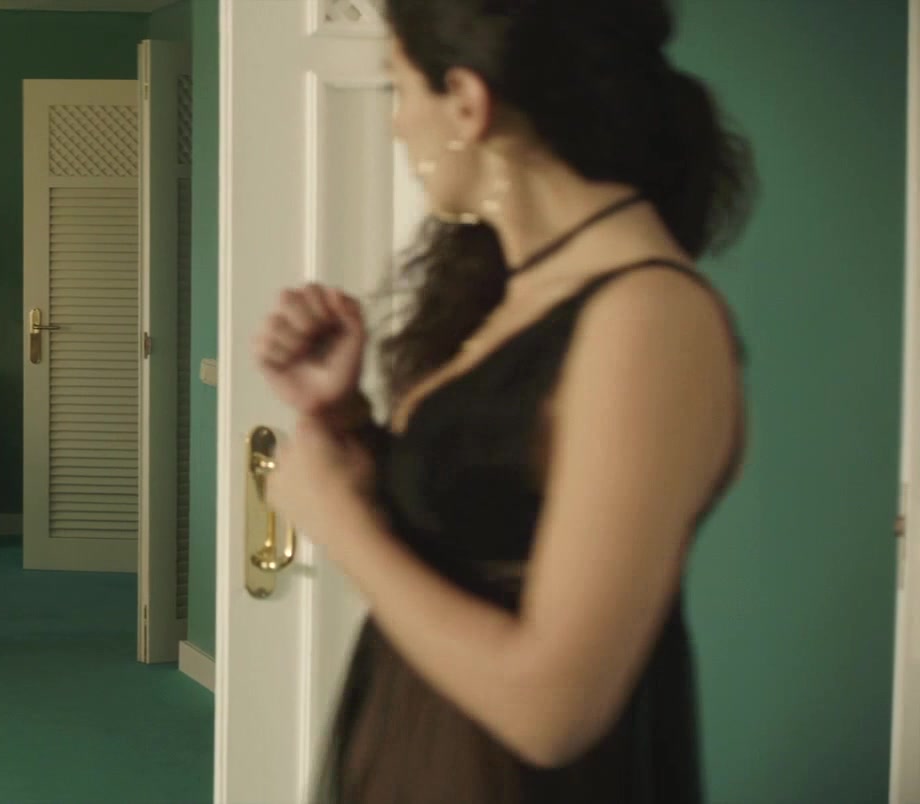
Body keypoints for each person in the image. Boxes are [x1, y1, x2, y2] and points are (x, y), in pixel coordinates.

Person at [255, 1, 753, 800]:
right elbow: (472, 537)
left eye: (397, 90)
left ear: (466, 101)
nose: (396, 125)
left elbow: (556, 711)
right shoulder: (529, 292)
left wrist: (337, 522)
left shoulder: (650, 318)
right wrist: (346, 420)